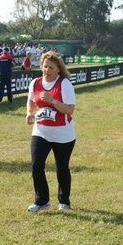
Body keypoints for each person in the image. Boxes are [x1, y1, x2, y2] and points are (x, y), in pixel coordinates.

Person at [25, 51, 76, 213]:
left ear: (58, 69)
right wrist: (29, 112)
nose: (47, 70)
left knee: (61, 168)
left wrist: (53, 101)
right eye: (45, 67)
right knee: (36, 166)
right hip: (41, 131)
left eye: (51, 68)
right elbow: (31, 99)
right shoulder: (35, 82)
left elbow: (69, 110)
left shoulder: (64, 84)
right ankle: (41, 201)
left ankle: (64, 201)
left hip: (63, 134)